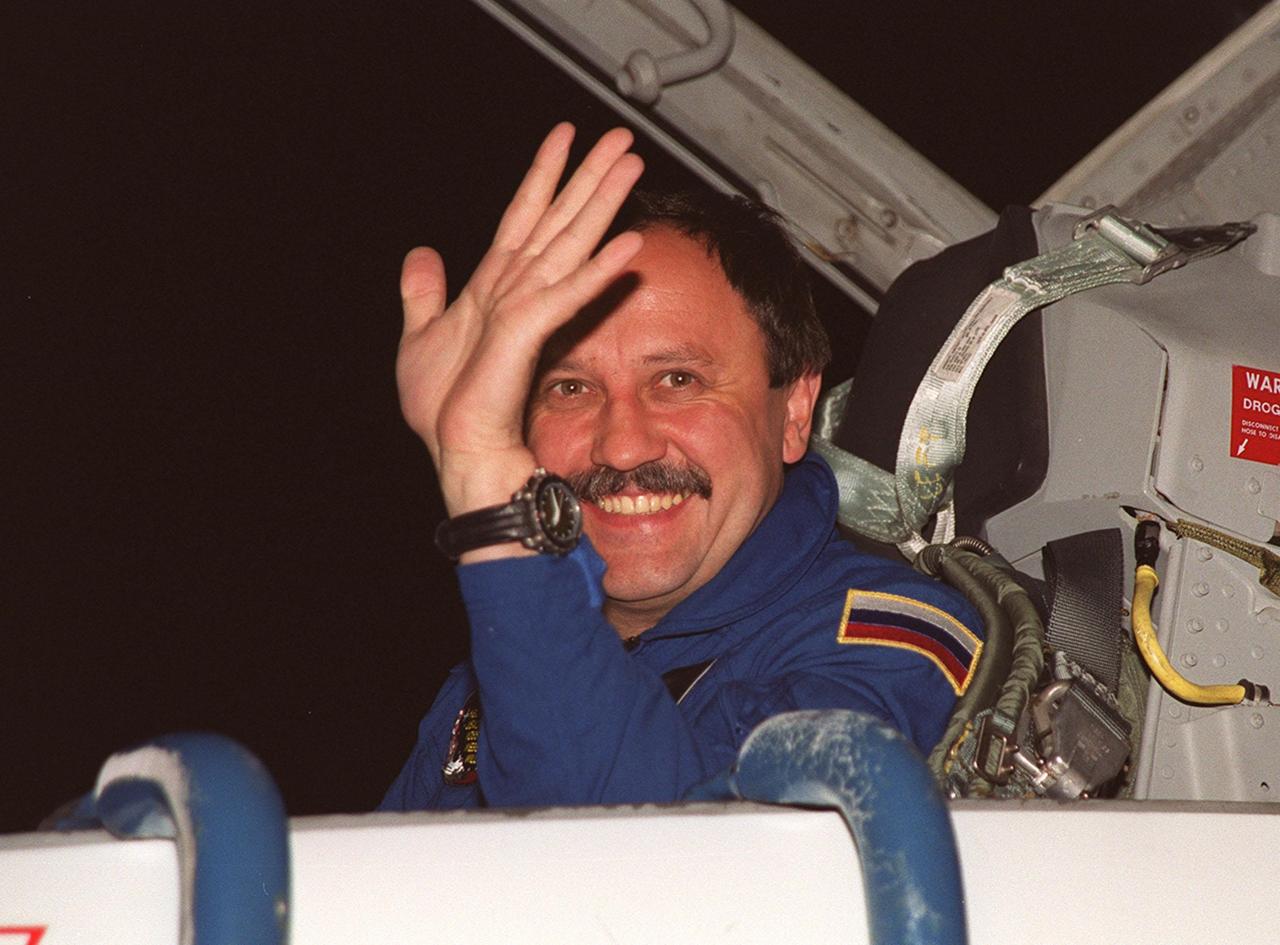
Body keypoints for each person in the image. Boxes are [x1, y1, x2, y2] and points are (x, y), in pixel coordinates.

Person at [380, 124, 981, 810]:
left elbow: (650, 882)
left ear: (792, 411)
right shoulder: (491, 680)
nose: (623, 446)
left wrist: (486, 481)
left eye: (677, 380)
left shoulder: (890, 654)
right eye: (569, 388)